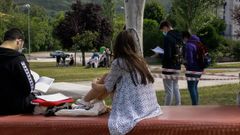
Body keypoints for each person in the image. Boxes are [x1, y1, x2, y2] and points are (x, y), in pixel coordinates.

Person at [74, 30, 162, 135]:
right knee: (107, 77)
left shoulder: (119, 62)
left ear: (118, 45)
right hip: (149, 107)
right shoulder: (140, 61)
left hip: (132, 107)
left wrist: (93, 83)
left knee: (106, 79)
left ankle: (85, 102)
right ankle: (91, 102)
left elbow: (107, 88)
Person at [0, 28, 36, 115]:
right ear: (18, 41)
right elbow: (29, 87)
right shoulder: (17, 58)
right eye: (21, 45)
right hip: (14, 107)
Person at [159, 21, 182, 106]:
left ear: (166, 27)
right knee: (176, 86)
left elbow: (167, 55)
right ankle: (178, 105)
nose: (163, 32)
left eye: (163, 30)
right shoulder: (179, 36)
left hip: (168, 67)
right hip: (177, 65)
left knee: (168, 90)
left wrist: (160, 54)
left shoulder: (167, 38)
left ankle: (167, 108)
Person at [182, 31, 204, 105]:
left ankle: (195, 105)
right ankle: (196, 104)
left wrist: (185, 64)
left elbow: (189, 60)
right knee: (195, 87)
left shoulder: (189, 45)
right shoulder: (198, 42)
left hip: (192, 70)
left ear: (185, 37)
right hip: (200, 69)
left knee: (191, 87)